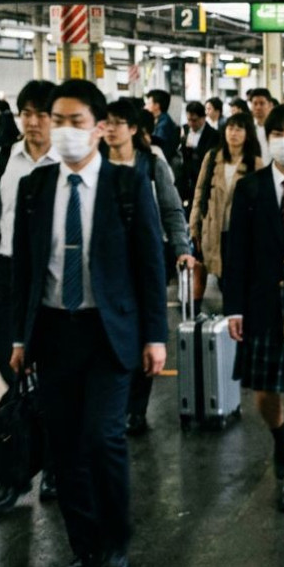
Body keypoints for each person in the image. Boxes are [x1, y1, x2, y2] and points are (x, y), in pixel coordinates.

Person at [9, 79, 167, 567]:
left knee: (103, 437)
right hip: (55, 333)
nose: (64, 131)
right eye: (58, 121)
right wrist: (19, 338)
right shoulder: (33, 188)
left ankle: (116, 543)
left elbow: (150, 265)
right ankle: (84, 547)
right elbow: (24, 272)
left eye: (75, 122)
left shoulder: (127, 186)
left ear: (100, 128)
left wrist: (155, 336)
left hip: (109, 333)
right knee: (65, 448)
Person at [0, 80, 61, 512]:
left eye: (42, 114)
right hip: (7, 278)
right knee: (2, 381)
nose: (34, 122)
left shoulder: (69, 161)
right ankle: (9, 478)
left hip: (55, 278)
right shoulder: (2, 159)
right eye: (27, 113)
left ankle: (56, 468)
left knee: (56, 378)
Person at [223, 105, 284, 512]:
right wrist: (233, 308)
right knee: (263, 394)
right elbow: (235, 251)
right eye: (275, 132)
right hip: (261, 301)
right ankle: (280, 441)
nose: (283, 139)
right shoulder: (251, 188)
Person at [104, 100, 193, 436]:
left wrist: (182, 249)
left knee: (144, 331)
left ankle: (136, 408)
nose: (110, 128)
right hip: (108, 262)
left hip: (145, 257)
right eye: (106, 122)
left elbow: (171, 210)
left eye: (118, 122)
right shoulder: (94, 164)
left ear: (133, 129)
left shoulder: (151, 163)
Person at [189, 112, 264, 307]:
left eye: (239, 129)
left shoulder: (254, 163)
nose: (234, 133)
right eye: (231, 128)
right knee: (220, 276)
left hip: (240, 232)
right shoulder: (213, 157)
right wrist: (194, 224)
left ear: (248, 134)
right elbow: (200, 191)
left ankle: (236, 318)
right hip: (214, 228)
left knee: (237, 278)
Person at [179, 101, 220, 216]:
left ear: (203, 118)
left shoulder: (213, 135)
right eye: (189, 120)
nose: (191, 123)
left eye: (195, 120)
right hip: (186, 179)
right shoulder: (185, 130)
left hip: (202, 177)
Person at [144, 89, 181, 176]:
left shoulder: (164, 123)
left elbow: (157, 143)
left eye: (148, 103)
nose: (145, 106)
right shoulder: (158, 120)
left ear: (156, 106)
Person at [248, 88, 275, 157]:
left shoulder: (277, 127)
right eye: (255, 104)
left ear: (270, 105)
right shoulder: (248, 127)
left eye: (262, 103)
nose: (258, 107)